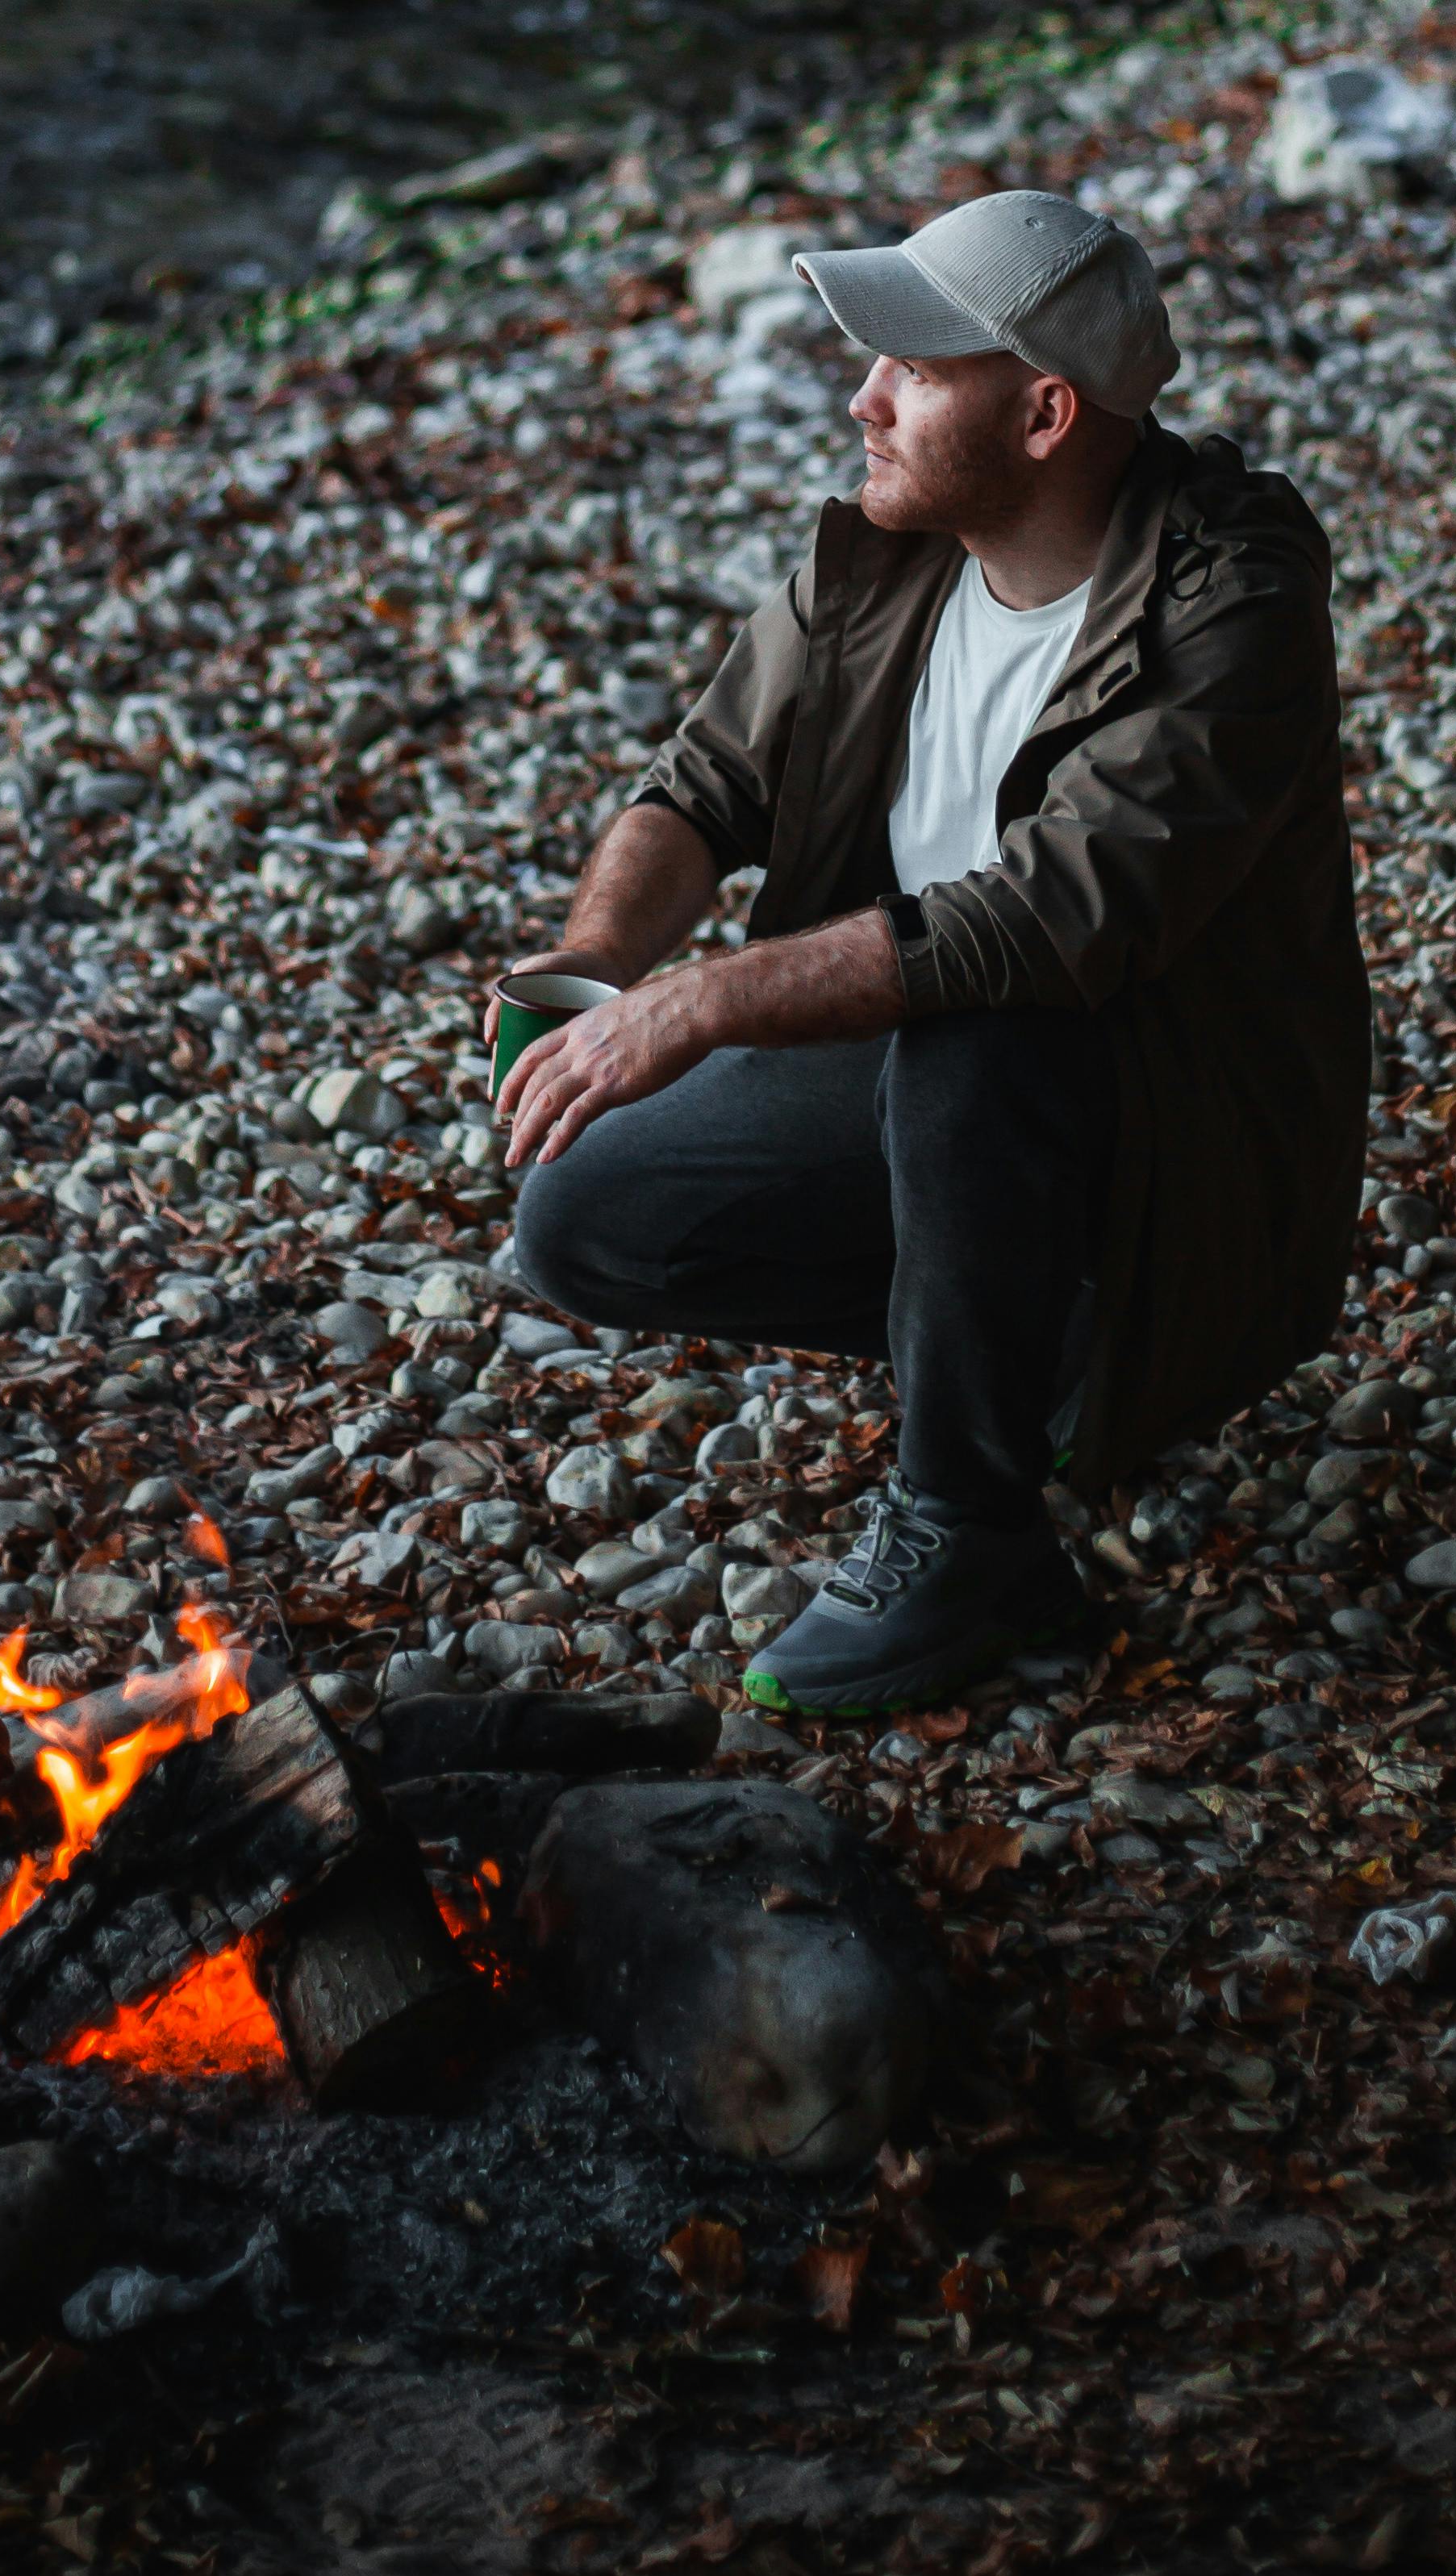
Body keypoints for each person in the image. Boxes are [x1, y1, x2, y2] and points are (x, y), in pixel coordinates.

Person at [497, 187, 1370, 1718]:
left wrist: (704, 1005)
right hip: (948, 1092)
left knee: (985, 1016)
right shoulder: (891, 557)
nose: (863, 398)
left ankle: (974, 1526)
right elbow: (700, 787)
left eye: (909, 367)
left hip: (1174, 1150)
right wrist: (594, 973)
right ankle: (1031, 1347)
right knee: (584, 1217)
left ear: (1043, 413)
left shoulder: (1232, 595)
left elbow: (1048, 918)